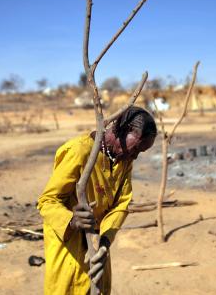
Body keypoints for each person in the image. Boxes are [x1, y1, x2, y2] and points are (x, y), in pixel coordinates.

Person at [37, 106, 157, 295]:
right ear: (119, 130)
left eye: (140, 153)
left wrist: (105, 242)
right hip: (68, 241)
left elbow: (121, 204)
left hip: (98, 240)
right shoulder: (79, 151)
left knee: (98, 288)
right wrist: (72, 220)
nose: (135, 156)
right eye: (135, 149)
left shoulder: (124, 159)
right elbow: (47, 200)